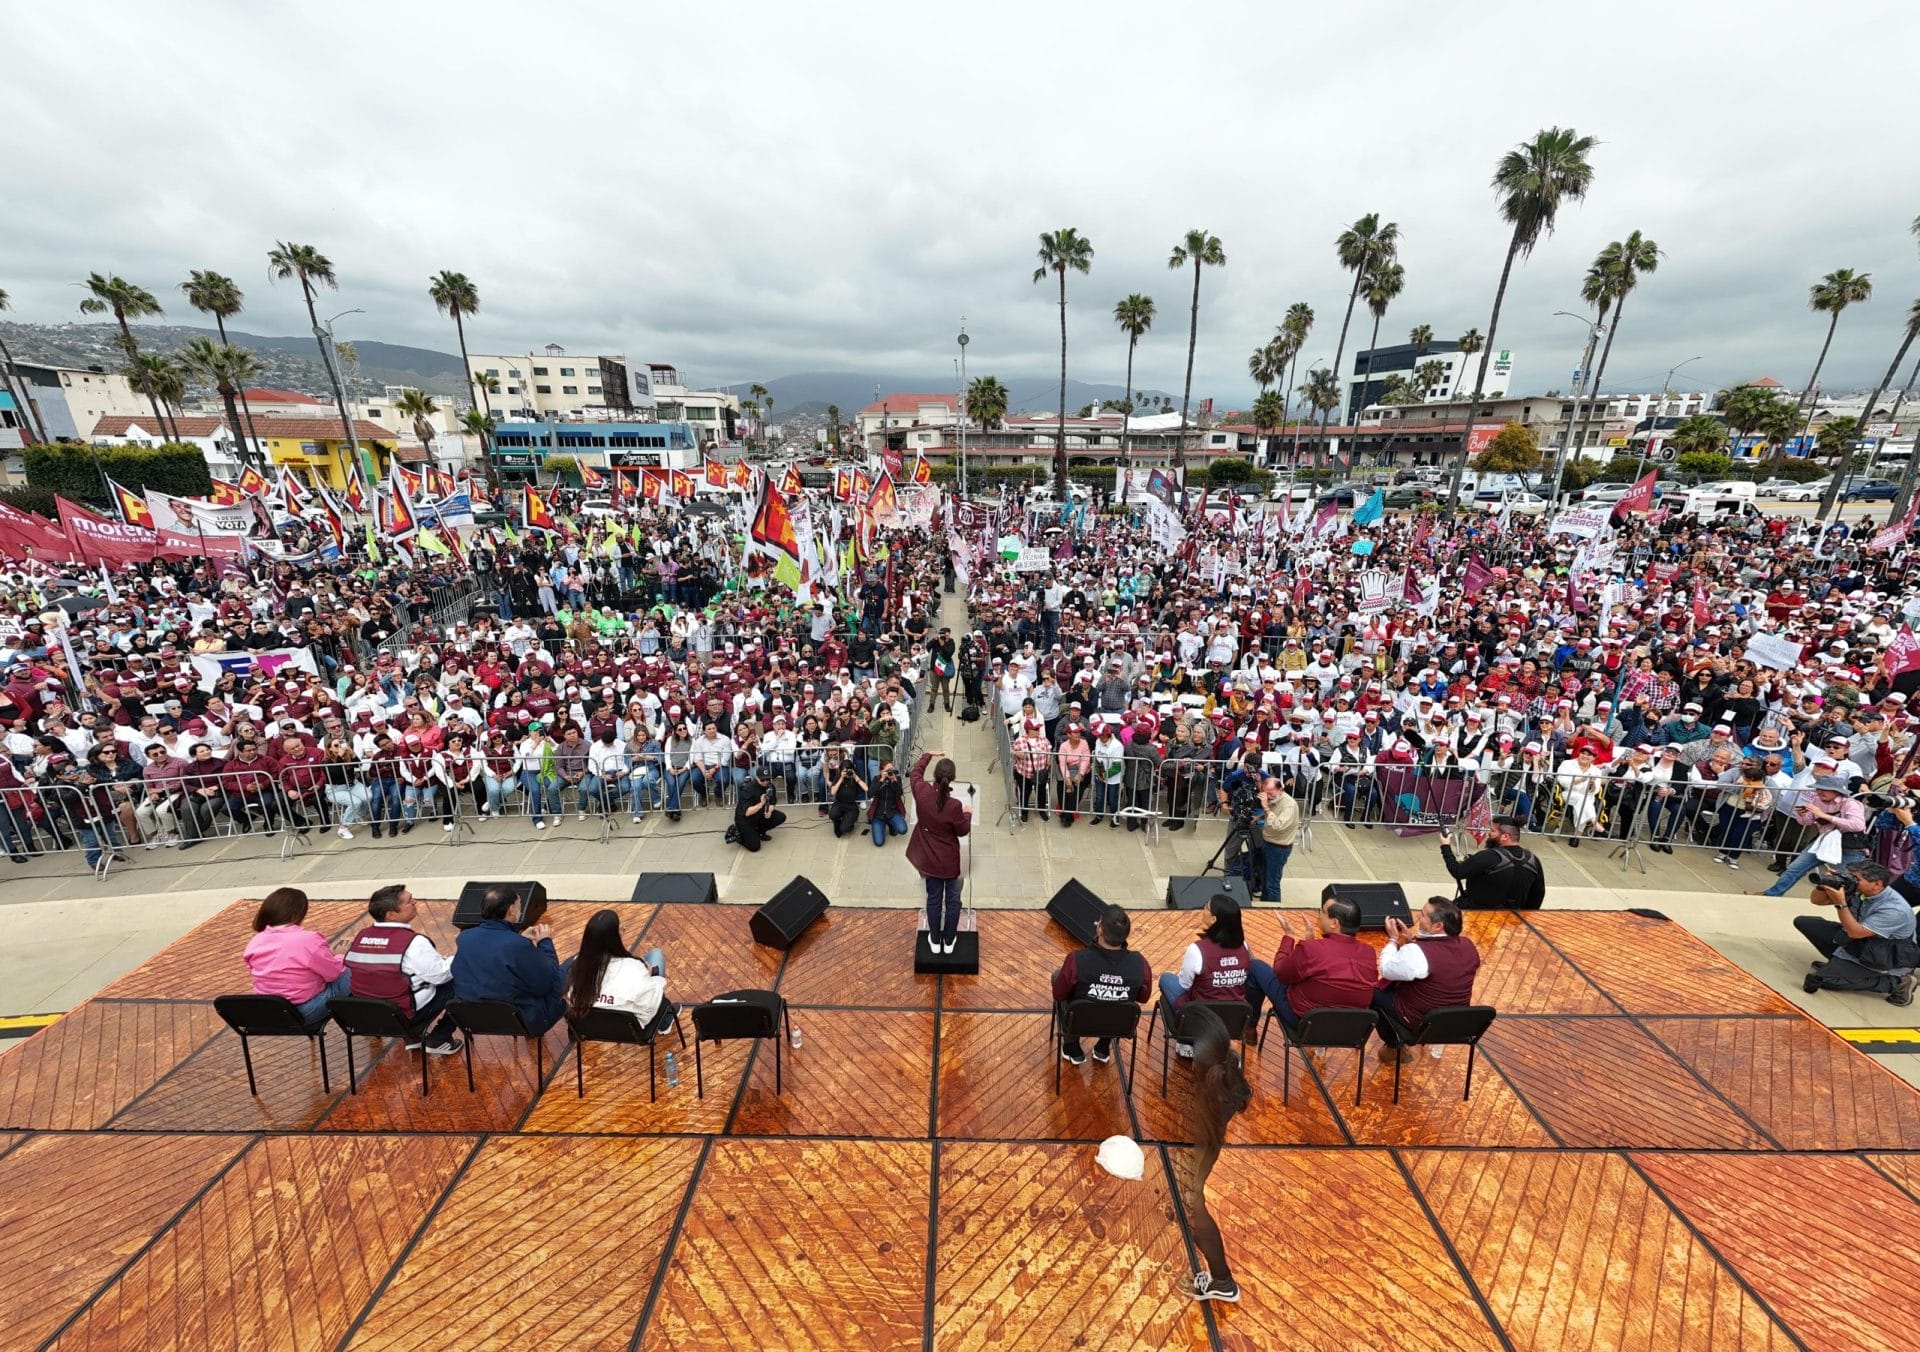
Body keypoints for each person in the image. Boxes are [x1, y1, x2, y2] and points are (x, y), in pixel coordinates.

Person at [1178, 1003, 1251, 1304]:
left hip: (1201, 1151)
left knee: (1194, 1209)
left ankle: (1222, 1281)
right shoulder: (1228, 1071)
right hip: (1207, 1148)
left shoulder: (1207, 1098)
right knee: (1192, 1203)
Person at [343, 883, 461, 1053]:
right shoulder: (414, 943)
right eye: (409, 901)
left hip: (367, 1015)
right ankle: (439, 1038)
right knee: (462, 978)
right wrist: (455, 959)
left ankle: (413, 1037)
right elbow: (440, 975)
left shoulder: (361, 936)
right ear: (391, 915)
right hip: (403, 1014)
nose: (415, 902)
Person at [1244, 891, 1378, 1036]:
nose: (1319, 915)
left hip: (1306, 1024)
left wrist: (1288, 936)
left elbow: (1281, 974)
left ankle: (1249, 1029)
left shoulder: (1312, 949)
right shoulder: (1370, 952)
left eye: (1323, 912)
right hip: (1350, 1030)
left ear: (1335, 923)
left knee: (1255, 966)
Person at [451, 885, 570, 1035]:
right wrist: (545, 942)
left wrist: (519, 939)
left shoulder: (465, 938)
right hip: (524, 1020)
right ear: (511, 910)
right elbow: (546, 983)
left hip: (474, 1019)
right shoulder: (517, 945)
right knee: (572, 965)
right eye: (519, 903)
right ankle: (579, 1027)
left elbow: (491, 955)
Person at [1373, 896, 1481, 1059]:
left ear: (1438, 926)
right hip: (1456, 1021)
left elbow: (1387, 970)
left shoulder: (1417, 952)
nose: (1418, 917)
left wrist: (1393, 940)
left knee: (1370, 992)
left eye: (1423, 915)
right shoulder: (1468, 945)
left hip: (1422, 1021)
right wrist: (1411, 943)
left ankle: (1395, 1047)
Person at [1795, 863, 1917, 1005]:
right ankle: (1840, 966)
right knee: (1805, 923)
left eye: (1855, 878)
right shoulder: (1859, 890)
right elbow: (1817, 900)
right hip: (1860, 940)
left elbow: (1855, 932)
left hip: (1882, 954)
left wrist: (1841, 903)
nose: (1850, 880)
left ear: (1876, 884)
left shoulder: (1894, 909)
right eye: (1850, 876)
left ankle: (1898, 982)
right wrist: (1824, 884)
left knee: (1821, 980)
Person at [1050, 904, 1152, 1065]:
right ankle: (1103, 1047)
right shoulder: (1141, 964)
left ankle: (1072, 1047)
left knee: (1058, 977)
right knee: (1118, 1004)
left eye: (1099, 922)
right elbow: (1144, 998)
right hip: (1118, 1024)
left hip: (1080, 1021)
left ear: (1100, 930)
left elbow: (1058, 995)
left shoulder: (1076, 960)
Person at [1160, 893, 1253, 1056]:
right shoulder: (1244, 946)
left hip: (1199, 1015)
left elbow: (1184, 985)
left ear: (1213, 920)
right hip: (1232, 1018)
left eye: (1206, 907)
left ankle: (1187, 1042)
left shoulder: (1196, 950)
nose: (1203, 909)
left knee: (1166, 979)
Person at [242, 886, 348, 1024]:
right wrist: (340, 956)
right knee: (352, 968)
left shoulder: (256, 941)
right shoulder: (308, 940)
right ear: (299, 913)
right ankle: (364, 1020)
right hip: (302, 1012)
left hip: (269, 1011)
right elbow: (334, 973)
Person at [564, 909, 675, 1035]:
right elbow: (652, 1003)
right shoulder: (634, 968)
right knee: (656, 956)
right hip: (631, 1031)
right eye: (619, 928)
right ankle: (665, 1023)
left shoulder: (577, 965)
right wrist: (651, 978)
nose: (624, 929)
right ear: (613, 937)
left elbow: (571, 998)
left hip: (590, 1028)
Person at [1759, 776, 1870, 898]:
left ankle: (1847, 907)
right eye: (1818, 788)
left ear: (1837, 791)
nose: (1819, 792)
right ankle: (1772, 895)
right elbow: (1806, 822)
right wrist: (1801, 815)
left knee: (1845, 880)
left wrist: (1824, 816)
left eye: (1824, 789)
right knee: (1794, 868)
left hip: (1849, 848)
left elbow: (1858, 825)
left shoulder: (1851, 804)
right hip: (1824, 841)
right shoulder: (1816, 800)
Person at [907, 751, 971, 954]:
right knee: (953, 901)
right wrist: (967, 815)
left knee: (933, 900)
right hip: (949, 862)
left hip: (929, 860)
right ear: (953, 778)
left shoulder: (922, 792)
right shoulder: (955, 805)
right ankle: (949, 941)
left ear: (934, 775)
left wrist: (927, 755)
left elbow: (915, 773)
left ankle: (935, 940)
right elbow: (962, 831)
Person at [1439, 816, 1545, 910]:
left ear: (1505, 837)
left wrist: (1445, 846)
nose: (1488, 833)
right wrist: (1525, 917)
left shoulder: (1488, 856)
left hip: (1478, 916)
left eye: (1493, 831)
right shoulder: (1533, 860)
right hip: (1514, 920)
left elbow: (1457, 871)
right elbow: (1538, 894)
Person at [1253, 772, 1300, 905]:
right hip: (1268, 843)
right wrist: (1258, 817)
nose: (1268, 796)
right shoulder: (1276, 799)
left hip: (1279, 848)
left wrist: (1265, 807)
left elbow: (1278, 824)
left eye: (1271, 792)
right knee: (1264, 877)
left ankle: (1273, 909)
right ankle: (1265, 902)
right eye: (1265, 792)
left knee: (1272, 882)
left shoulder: (1289, 805)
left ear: (1281, 789)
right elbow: (1272, 810)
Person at [733, 764, 786, 852]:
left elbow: (772, 802)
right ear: (757, 778)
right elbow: (747, 812)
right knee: (755, 847)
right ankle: (738, 834)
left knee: (780, 817)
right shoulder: (748, 789)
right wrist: (761, 803)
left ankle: (759, 831)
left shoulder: (770, 786)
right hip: (745, 819)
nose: (766, 782)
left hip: (759, 814)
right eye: (763, 779)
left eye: (768, 779)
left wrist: (769, 811)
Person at [867, 758, 909, 847]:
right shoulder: (877, 779)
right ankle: (881, 825)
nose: (890, 772)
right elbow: (870, 794)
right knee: (879, 843)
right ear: (881, 770)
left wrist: (894, 781)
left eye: (892, 770)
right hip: (878, 814)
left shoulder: (896, 778)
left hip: (892, 812)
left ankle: (891, 825)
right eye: (887, 770)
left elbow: (900, 793)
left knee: (903, 830)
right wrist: (881, 780)